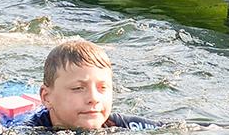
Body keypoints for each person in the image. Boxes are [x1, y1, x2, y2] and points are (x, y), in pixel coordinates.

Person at [23, 40, 162, 130]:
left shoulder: (116, 123)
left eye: (102, 87)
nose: (94, 98)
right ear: (47, 97)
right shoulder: (26, 130)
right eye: (78, 88)